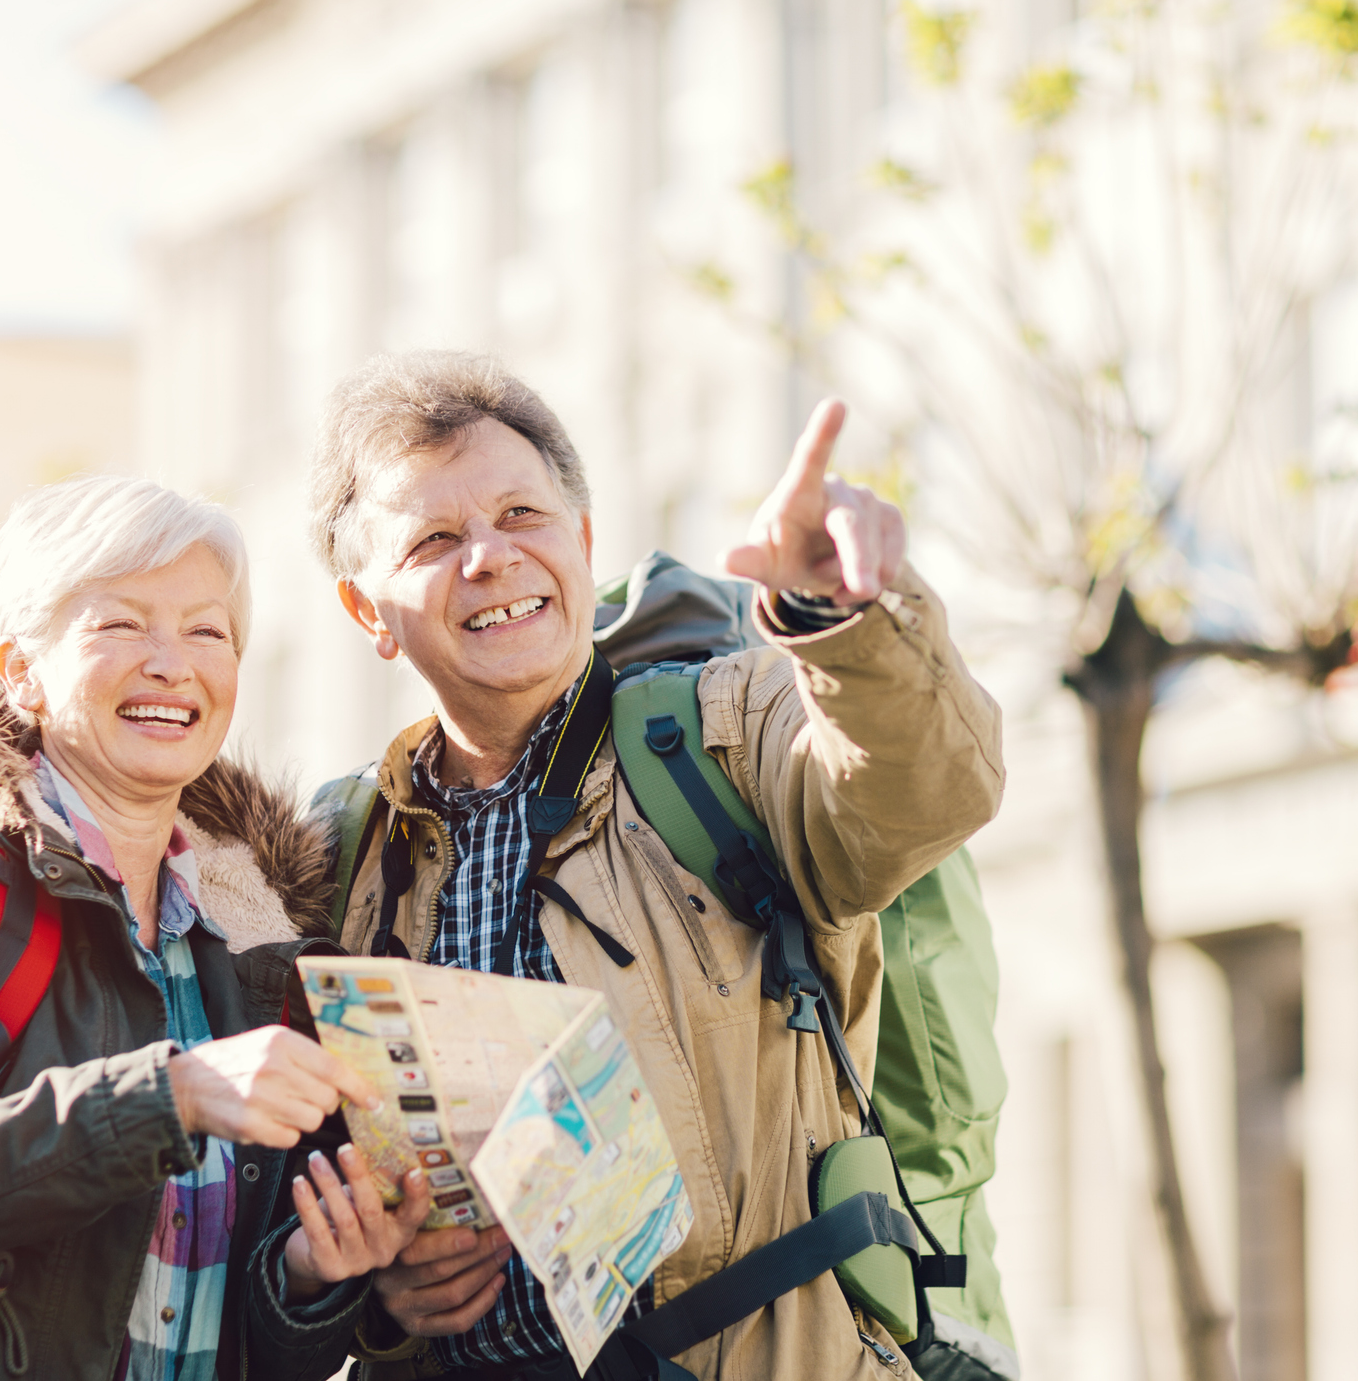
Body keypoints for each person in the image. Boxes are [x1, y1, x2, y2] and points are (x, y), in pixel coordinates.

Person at [307, 352, 1006, 1381]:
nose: (491, 559)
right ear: (367, 612)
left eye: (523, 516)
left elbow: (923, 789)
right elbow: (293, 1196)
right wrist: (377, 1299)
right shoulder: (342, 849)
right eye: (436, 538)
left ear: (583, 542)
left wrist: (839, 622)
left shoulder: (732, 730)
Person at [0, 476, 429, 1380]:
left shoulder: (248, 936)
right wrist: (170, 1097)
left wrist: (310, 1275)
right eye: (121, 624)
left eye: (208, 631)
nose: (173, 664)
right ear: (19, 670)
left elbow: (222, 1325)